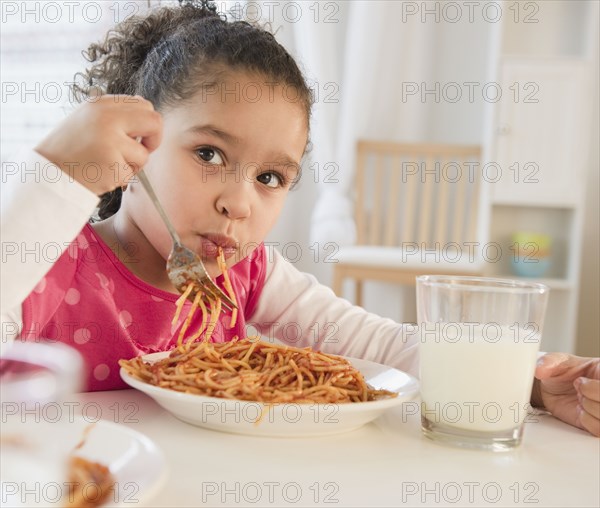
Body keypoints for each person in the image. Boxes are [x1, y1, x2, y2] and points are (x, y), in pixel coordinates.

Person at [0, 0, 597, 437]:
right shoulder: (53, 261)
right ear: (135, 141)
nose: (240, 203)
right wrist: (59, 176)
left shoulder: (249, 276)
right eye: (209, 154)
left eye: (270, 178)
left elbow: (385, 348)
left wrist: (534, 383)